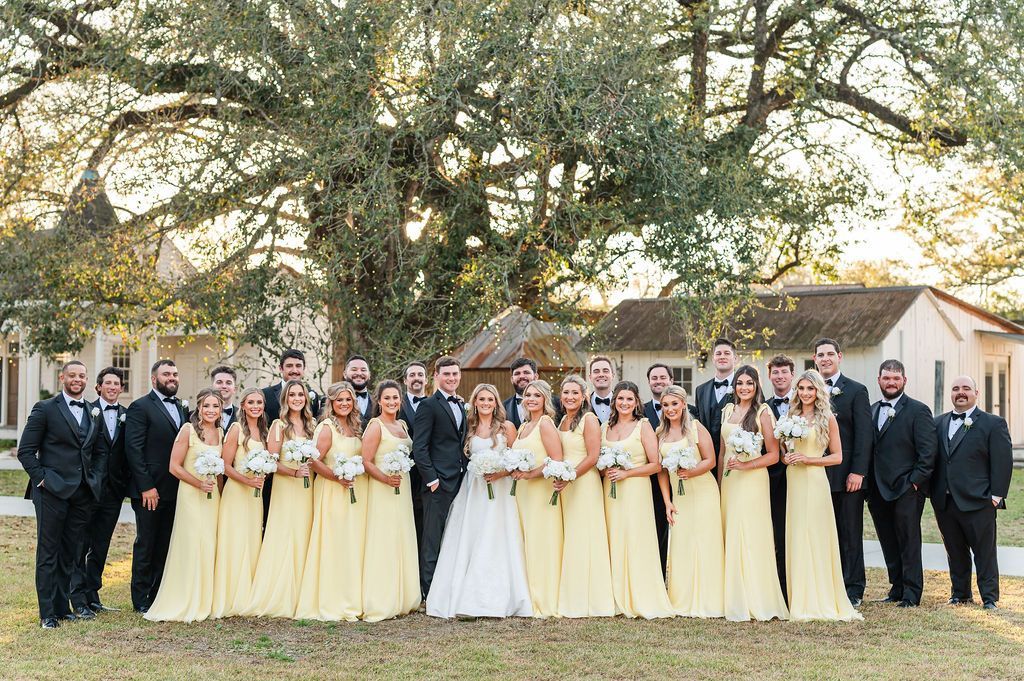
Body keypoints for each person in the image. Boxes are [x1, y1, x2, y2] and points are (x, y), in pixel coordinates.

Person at [427, 384, 532, 619]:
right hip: (474, 489)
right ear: (475, 402)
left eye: (490, 399)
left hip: (500, 491)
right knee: (471, 535)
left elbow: (516, 460)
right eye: (481, 399)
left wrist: (500, 473)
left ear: (496, 403)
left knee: (496, 537)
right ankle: (462, 595)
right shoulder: (470, 427)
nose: (486, 403)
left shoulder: (507, 428)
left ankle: (498, 598)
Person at [18, 360, 107, 628]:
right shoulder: (45, 409)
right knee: (48, 552)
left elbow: (101, 451)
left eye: (82, 375)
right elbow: (25, 451)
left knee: (70, 552)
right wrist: (42, 480)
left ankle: (62, 606)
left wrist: (95, 477)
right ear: (62, 378)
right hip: (51, 492)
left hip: (82, 492)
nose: (77, 379)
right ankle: (47, 613)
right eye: (72, 375)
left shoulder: (93, 411)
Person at [782, 371, 862, 622]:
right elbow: (786, 447)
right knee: (797, 533)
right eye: (801, 388)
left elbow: (837, 457)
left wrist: (809, 459)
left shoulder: (827, 418)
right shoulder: (790, 416)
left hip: (815, 480)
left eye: (810, 389)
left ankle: (819, 597)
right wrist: (787, 455)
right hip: (794, 479)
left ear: (818, 391)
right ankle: (799, 597)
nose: (805, 393)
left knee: (815, 534)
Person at [932, 375, 1013, 610]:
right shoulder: (938, 423)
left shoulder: (992, 423)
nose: (961, 392)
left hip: (980, 500)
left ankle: (989, 598)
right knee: (954, 550)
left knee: (984, 553)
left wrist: (996, 495)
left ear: (976, 393)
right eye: (956, 388)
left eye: (966, 388)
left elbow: (1002, 461)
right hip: (945, 501)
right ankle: (960, 594)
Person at [145, 389, 224, 622]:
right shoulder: (187, 430)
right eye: (207, 406)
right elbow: (174, 466)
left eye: (215, 406)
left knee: (209, 543)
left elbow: (220, 469)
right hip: (192, 494)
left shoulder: (220, 432)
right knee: (191, 543)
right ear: (199, 408)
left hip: (213, 497)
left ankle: (205, 598)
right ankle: (187, 598)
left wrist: (220, 491)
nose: (211, 410)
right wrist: (199, 484)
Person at [719, 365, 789, 622]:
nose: (744, 387)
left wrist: (747, 465)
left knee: (749, 534)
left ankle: (756, 597)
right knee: (731, 532)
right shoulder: (727, 410)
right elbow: (721, 451)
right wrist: (719, 482)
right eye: (740, 383)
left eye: (749, 383)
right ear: (734, 386)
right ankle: (733, 596)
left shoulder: (763, 412)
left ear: (757, 385)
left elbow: (773, 455)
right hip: (729, 481)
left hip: (752, 480)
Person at [867, 360, 937, 608]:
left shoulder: (918, 410)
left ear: (904, 381)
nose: (891, 382)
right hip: (877, 489)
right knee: (887, 539)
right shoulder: (872, 409)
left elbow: (928, 454)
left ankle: (911, 593)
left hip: (907, 489)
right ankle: (896, 588)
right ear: (879, 380)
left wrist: (914, 483)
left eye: (896, 378)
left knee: (908, 540)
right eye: (886, 378)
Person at [601, 381, 674, 619]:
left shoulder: (643, 426)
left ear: (636, 402)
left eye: (629, 399)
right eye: (620, 399)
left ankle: (641, 594)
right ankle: (615, 595)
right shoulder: (605, 427)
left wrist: (626, 473)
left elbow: (656, 464)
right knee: (614, 538)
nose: (624, 403)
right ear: (614, 402)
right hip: (610, 491)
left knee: (635, 539)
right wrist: (607, 468)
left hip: (635, 490)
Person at [244, 380, 316, 618]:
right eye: (292, 394)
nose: (297, 398)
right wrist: (295, 472)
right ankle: (280, 594)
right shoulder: (279, 425)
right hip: (286, 488)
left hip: (308, 490)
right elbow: (272, 461)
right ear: (285, 398)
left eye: (301, 394)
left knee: (304, 534)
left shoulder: (311, 426)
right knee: (285, 535)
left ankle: (303, 595)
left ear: (306, 398)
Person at [296, 382, 367, 621]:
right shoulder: (327, 427)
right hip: (332, 490)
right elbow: (314, 460)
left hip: (354, 491)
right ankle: (332, 598)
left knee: (351, 542)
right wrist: (337, 477)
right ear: (332, 403)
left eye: (348, 399)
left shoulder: (357, 426)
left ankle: (351, 594)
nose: (344, 404)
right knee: (335, 542)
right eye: (340, 400)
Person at [124, 359, 189, 614]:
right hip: (151, 491)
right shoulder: (140, 407)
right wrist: (146, 487)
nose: (171, 378)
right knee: (146, 544)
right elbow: (134, 449)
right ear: (154, 379)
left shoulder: (182, 408)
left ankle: (158, 593)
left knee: (165, 544)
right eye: (166, 374)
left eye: (174, 373)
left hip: (176, 488)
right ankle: (140, 599)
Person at [813, 338, 873, 607]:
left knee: (849, 532)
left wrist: (858, 471)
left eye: (829, 354)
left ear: (839, 356)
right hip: (815, 477)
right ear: (814, 359)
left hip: (847, 476)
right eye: (820, 355)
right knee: (824, 532)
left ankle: (853, 588)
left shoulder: (856, 391)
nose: (825, 359)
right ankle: (828, 583)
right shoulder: (807, 391)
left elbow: (864, 436)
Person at [657, 385, 724, 618]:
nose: (670, 409)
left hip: (703, 491)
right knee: (683, 543)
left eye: (674, 404)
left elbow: (711, 460)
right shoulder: (660, 434)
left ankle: (710, 598)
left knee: (706, 542)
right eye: (665, 405)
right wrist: (667, 501)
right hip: (680, 497)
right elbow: (662, 472)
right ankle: (682, 598)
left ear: (683, 404)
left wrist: (690, 472)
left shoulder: (695, 428)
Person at [555, 376, 615, 618]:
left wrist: (570, 476)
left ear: (583, 396)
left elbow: (592, 457)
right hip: (566, 485)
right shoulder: (562, 421)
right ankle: (571, 592)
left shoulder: (589, 420)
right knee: (571, 536)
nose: (570, 397)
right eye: (566, 392)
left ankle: (591, 597)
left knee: (585, 536)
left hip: (584, 483)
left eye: (574, 393)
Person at [70, 366, 127, 616]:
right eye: (108, 383)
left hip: (114, 492)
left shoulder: (127, 414)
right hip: (88, 489)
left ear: (121, 388)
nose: (113, 387)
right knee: (80, 544)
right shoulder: (86, 411)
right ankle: (77, 596)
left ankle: (93, 594)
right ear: (98, 387)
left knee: (101, 545)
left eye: (117, 383)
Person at [362, 380, 421, 621]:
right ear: (379, 401)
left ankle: (404, 596)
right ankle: (382, 598)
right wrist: (386, 479)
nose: (392, 402)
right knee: (384, 538)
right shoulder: (375, 426)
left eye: (395, 398)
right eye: (387, 398)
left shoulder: (403, 425)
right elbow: (366, 461)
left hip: (402, 487)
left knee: (402, 535)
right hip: (382, 488)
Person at [412, 356, 467, 599]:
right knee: (432, 538)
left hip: (460, 481)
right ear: (436, 376)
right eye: (447, 374)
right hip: (438, 484)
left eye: (455, 374)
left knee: (453, 536)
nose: (452, 378)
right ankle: (429, 591)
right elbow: (419, 447)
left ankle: (448, 588)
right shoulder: (428, 405)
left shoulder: (461, 404)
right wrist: (432, 480)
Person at [211, 387, 268, 618]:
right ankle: (231, 595)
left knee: (251, 539)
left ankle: (248, 594)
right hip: (237, 492)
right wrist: (246, 480)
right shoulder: (236, 429)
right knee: (235, 541)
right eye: (251, 402)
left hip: (255, 497)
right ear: (242, 405)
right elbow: (225, 465)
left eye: (259, 402)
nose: (256, 406)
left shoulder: (263, 431)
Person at [511, 380, 565, 618]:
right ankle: (527, 595)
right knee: (526, 542)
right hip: (523, 492)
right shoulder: (523, 427)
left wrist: (531, 473)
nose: (531, 399)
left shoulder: (545, 424)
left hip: (541, 491)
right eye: (527, 395)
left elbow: (556, 459)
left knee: (542, 542)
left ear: (545, 399)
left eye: (536, 395)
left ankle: (544, 597)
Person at [260, 349, 322, 524]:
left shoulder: (313, 421)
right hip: (279, 478)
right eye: (289, 366)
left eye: (298, 366)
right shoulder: (266, 396)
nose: (294, 370)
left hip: (307, 482)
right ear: (281, 368)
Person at [765, 354, 795, 599]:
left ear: (792, 375)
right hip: (773, 480)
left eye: (784, 372)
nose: (780, 376)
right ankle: (781, 587)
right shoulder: (763, 408)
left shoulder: (805, 402)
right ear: (769, 376)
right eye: (775, 372)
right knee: (778, 534)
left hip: (802, 477)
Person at [643, 362, 673, 575]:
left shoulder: (690, 411)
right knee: (652, 532)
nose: (659, 381)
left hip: (680, 480)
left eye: (663, 377)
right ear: (649, 382)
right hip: (648, 483)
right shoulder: (640, 411)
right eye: (654, 378)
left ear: (671, 380)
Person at [693, 338, 737, 462]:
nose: (722, 357)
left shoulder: (746, 387)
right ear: (713, 359)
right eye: (718, 353)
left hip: (735, 456)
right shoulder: (700, 390)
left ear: (735, 358)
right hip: (707, 457)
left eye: (727, 353)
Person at [398, 361, 427, 550]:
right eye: (412, 375)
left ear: (426, 379)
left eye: (420, 374)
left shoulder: (435, 404)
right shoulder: (395, 403)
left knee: (424, 521)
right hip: (402, 472)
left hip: (427, 474)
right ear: (405, 380)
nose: (416, 378)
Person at [503, 357, 538, 430]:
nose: (522, 376)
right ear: (512, 379)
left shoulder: (555, 403)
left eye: (526, 372)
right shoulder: (503, 407)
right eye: (517, 373)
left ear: (535, 377)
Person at [343, 354, 373, 424]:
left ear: (369, 375)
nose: (359, 373)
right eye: (354, 369)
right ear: (344, 374)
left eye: (363, 370)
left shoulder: (379, 402)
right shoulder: (334, 402)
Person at [588, 355, 616, 423]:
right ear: (590, 377)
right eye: (596, 371)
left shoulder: (623, 403)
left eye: (605, 371)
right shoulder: (583, 404)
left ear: (613, 375)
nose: (601, 374)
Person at [211, 365, 239, 432]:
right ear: (211, 387)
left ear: (235, 389)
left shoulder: (243, 416)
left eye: (228, 383)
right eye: (219, 382)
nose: (224, 386)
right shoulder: (195, 415)